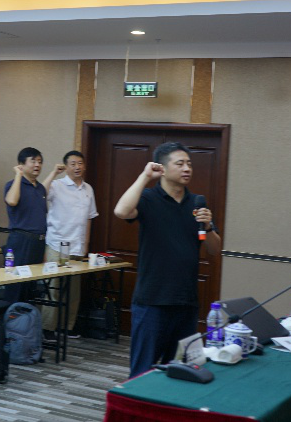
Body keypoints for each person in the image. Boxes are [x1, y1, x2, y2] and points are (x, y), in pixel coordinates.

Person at [113, 142, 221, 378]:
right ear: (162, 168)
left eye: (189, 164)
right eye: (180, 163)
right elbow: (121, 211)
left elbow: (214, 249)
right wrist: (144, 176)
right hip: (152, 301)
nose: (187, 168)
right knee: (143, 373)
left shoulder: (196, 203)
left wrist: (208, 226)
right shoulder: (148, 198)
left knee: (181, 370)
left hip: (186, 302)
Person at [42, 151, 98, 339]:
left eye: (80, 163)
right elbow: (41, 194)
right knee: (53, 287)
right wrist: (53, 173)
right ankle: (48, 328)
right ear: (66, 167)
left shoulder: (88, 189)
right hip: (56, 243)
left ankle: (67, 326)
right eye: (73, 164)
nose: (77, 167)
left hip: (77, 245)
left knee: (73, 291)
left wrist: (86, 245)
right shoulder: (57, 185)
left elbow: (89, 218)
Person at [3, 147, 63, 302]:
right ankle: (13, 315)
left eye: (40, 162)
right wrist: (18, 175)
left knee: (32, 288)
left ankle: (28, 316)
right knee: (17, 286)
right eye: (33, 161)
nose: (37, 165)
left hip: (38, 242)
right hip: (21, 241)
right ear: (21, 164)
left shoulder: (40, 188)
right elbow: (12, 201)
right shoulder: (13, 184)